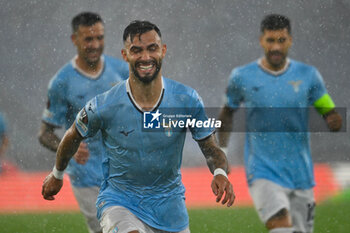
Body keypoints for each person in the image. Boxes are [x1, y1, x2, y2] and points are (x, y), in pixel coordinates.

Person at [42, 20, 235, 233]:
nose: (145, 57)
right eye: (136, 50)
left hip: (170, 208)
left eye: (152, 48)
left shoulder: (187, 100)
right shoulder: (103, 105)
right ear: (125, 55)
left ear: (163, 51)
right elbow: (72, 135)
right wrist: (57, 174)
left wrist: (220, 172)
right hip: (119, 202)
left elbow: (210, 147)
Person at [218, 14, 342, 233]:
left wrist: (332, 119)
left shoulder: (308, 75)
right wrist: (223, 151)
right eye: (270, 40)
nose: (275, 46)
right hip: (262, 170)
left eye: (281, 40)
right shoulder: (242, 77)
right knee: (281, 227)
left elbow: (328, 110)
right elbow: (227, 112)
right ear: (261, 41)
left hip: (300, 173)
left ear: (290, 41)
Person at [38, 12, 129, 233]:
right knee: (107, 229)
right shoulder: (62, 82)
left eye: (99, 37)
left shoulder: (122, 71)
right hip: (86, 174)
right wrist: (69, 148)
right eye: (89, 39)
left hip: (123, 170)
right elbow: (45, 133)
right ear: (74, 40)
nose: (95, 44)